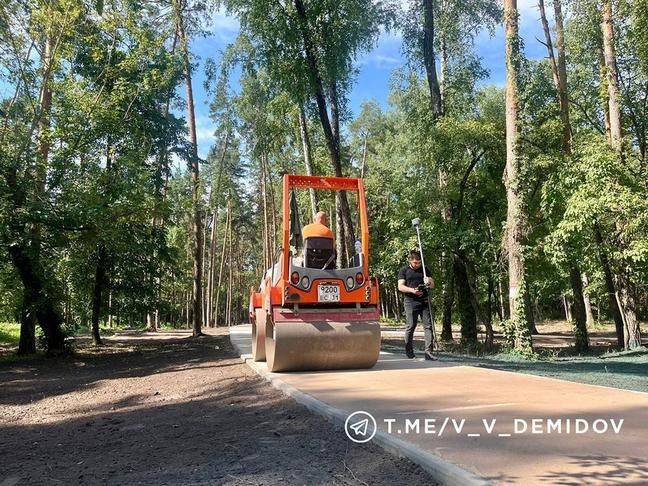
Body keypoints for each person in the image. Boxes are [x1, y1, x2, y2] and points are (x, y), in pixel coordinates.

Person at [397, 250, 436, 360]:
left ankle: (428, 352)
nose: (417, 265)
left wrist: (428, 281)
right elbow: (400, 287)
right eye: (415, 263)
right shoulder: (404, 270)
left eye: (419, 262)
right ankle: (409, 352)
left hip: (424, 300)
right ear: (410, 261)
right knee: (411, 326)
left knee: (428, 326)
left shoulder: (425, 269)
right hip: (410, 301)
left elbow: (432, 285)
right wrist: (412, 290)